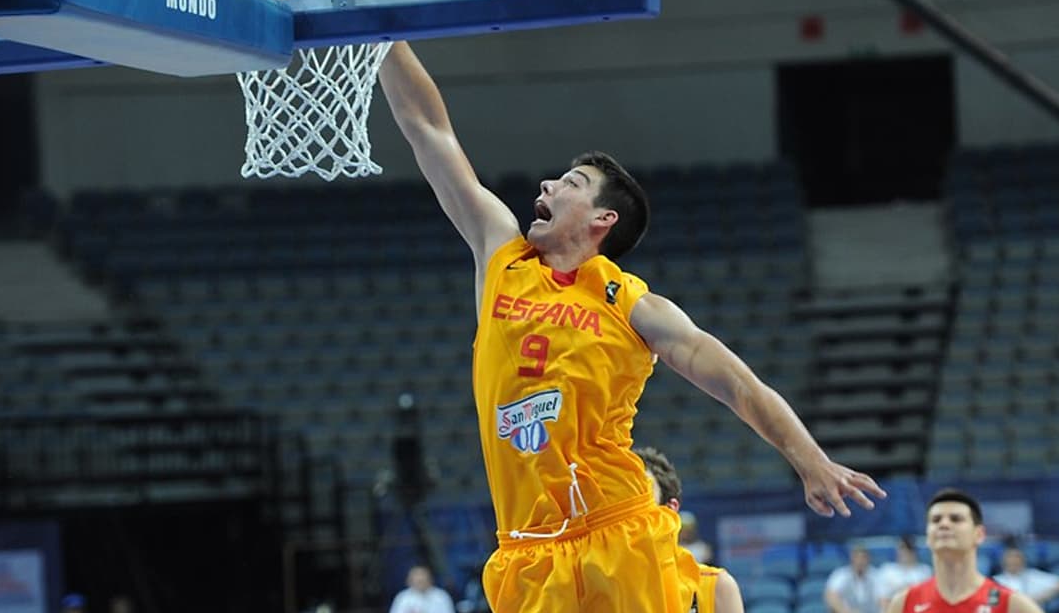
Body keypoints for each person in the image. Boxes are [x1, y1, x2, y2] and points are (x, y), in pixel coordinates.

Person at [377, 41, 886, 612]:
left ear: (603, 218)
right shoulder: (502, 257)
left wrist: (809, 459)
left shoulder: (633, 306)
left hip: (615, 530)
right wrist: (381, 33)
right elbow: (429, 130)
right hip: (525, 550)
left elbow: (739, 385)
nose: (546, 186)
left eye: (569, 182)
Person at [885, 489, 1045, 613]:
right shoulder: (904, 603)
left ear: (979, 534)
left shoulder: (1010, 603)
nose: (944, 524)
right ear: (927, 535)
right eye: (936, 520)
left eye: (956, 519)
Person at [636, 446, 744, 613]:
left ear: (670, 509)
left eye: (641, 492)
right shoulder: (595, 588)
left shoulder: (716, 587)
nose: (629, 506)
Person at [992, 542, 1059, 609]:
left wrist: (1039, 598)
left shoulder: (1034, 575)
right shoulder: (995, 581)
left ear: (1023, 560)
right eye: (1010, 557)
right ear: (1003, 561)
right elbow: (992, 604)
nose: (1013, 560)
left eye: (1017, 557)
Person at [878, 537, 932, 608]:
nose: (904, 552)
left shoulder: (924, 571)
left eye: (907, 549)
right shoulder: (887, 570)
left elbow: (927, 599)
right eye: (901, 549)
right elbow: (882, 600)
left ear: (914, 552)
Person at [826, 545, 882, 613]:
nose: (860, 561)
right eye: (857, 557)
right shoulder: (841, 574)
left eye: (863, 557)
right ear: (851, 558)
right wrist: (846, 611)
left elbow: (883, 599)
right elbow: (831, 596)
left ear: (868, 558)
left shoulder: (877, 575)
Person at [388, 565, 456, 613]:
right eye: (418, 581)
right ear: (409, 581)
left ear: (430, 580)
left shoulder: (441, 596)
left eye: (423, 580)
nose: (420, 582)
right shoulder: (403, 597)